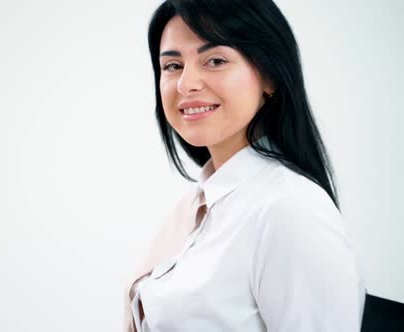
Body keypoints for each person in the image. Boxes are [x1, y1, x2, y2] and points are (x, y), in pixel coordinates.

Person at [123, 1, 366, 331]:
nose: (186, 84)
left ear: (269, 76)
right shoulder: (199, 206)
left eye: (215, 60)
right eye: (172, 66)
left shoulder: (289, 209)